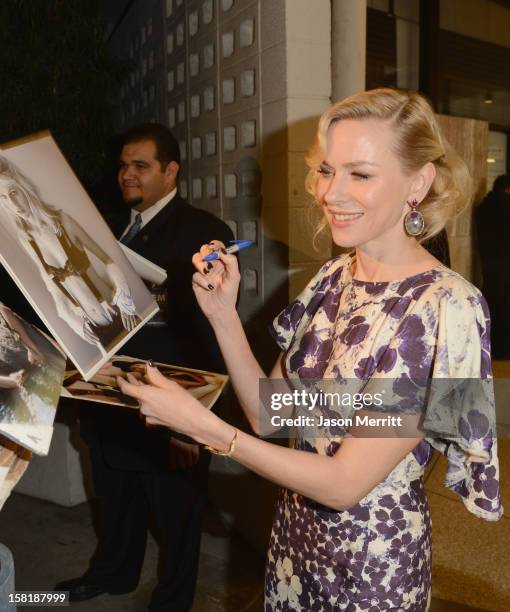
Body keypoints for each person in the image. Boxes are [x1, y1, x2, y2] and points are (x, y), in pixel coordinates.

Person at [118, 90, 502, 611]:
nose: (331, 193)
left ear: (419, 181)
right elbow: (270, 414)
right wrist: (223, 316)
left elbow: (345, 484)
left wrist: (204, 428)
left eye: (359, 174)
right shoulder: (330, 279)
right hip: (294, 548)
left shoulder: (445, 309)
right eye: (327, 170)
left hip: (372, 568)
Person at [55, 123, 233, 612]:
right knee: (115, 500)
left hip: (169, 404)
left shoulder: (205, 232)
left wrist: (192, 425)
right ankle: (112, 575)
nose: (126, 174)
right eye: (123, 166)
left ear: (171, 171)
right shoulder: (105, 227)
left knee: (177, 518)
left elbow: (207, 333)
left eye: (140, 166)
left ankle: (171, 603)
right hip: (106, 397)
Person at [0, 157, 138, 356]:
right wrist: (69, 318)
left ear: (23, 188)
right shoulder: (27, 240)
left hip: (118, 312)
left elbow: (107, 259)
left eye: (13, 192)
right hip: (92, 329)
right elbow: (52, 287)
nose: (12, 203)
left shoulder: (63, 221)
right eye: (3, 197)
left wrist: (123, 293)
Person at [475, 174, 510, 358]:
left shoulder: (483, 208)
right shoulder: (506, 208)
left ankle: (492, 347)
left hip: (490, 267)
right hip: (506, 268)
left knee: (493, 306)